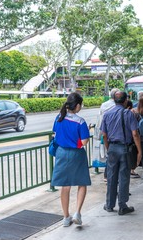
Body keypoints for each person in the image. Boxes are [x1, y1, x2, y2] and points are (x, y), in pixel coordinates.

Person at [51, 93, 91, 227]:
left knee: (65, 185)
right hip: (76, 154)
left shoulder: (59, 118)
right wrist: (75, 143)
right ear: (78, 105)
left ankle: (65, 217)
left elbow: (55, 135)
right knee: (81, 183)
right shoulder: (80, 121)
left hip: (61, 153)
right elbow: (84, 142)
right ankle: (77, 213)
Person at [101, 91, 142, 215]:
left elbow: (104, 135)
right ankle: (122, 205)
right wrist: (139, 151)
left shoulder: (107, 114)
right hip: (125, 148)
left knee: (111, 177)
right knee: (124, 177)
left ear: (114, 100)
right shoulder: (129, 114)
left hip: (112, 148)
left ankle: (109, 204)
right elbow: (135, 133)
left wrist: (109, 148)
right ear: (125, 101)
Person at [95, 88, 120, 182]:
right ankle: (112, 176)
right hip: (115, 134)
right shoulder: (118, 106)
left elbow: (100, 119)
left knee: (108, 155)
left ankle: (107, 175)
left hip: (105, 133)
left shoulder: (104, 105)